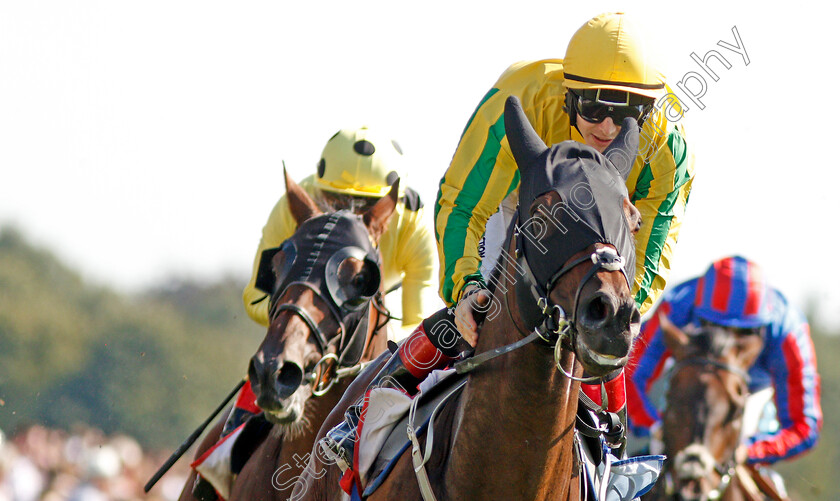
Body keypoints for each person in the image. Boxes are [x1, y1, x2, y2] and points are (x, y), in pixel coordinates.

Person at [324, 11, 695, 467]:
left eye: (627, 115)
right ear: (567, 94)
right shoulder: (523, 97)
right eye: (594, 108)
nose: (607, 129)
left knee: (612, 324)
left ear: (650, 114)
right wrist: (464, 290)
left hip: (604, 230)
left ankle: (613, 445)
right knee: (479, 313)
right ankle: (371, 409)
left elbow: (653, 248)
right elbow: (463, 204)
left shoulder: (668, 149)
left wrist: (623, 308)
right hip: (522, 208)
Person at [626, 256, 822, 467]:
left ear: (763, 327)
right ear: (699, 314)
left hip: (755, 398)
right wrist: (655, 427)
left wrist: (750, 451)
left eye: (744, 333)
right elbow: (626, 377)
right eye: (714, 328)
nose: (726, 344)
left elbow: (804, 427)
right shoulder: (677, 305)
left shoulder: (788, 330)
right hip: (687, 391)